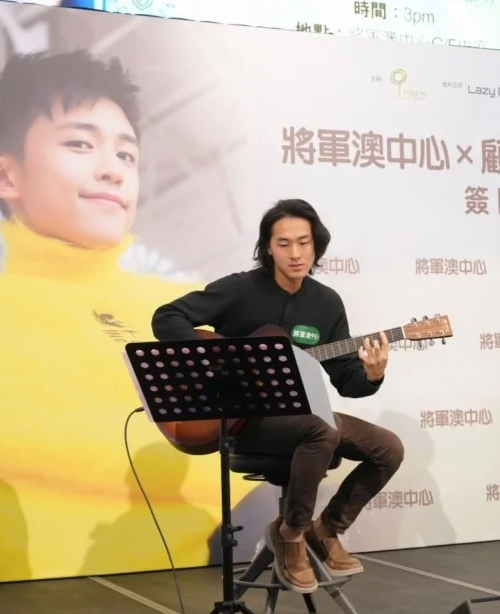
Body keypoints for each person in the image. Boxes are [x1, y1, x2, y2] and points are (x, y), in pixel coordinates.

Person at [0, 51, 253, 583]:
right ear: (3, 175)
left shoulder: (194, 312)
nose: (113, 169)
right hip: (12, 612)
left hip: (204, 597)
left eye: (127, 155)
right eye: (80, 144)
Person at [152, 199, 405, 594]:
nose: (295, 253)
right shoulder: (240, 289)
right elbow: (167, 317)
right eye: (284, 244)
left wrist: (372, 374)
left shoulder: (326, 303)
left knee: (387, 448)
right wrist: (217, 359)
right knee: (321, 431)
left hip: (303, 415)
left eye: (304, 243)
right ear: (268, 248)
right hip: (244, 420)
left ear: (316, 246)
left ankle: (326, 529)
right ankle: (291, 535)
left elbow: (345, 379)